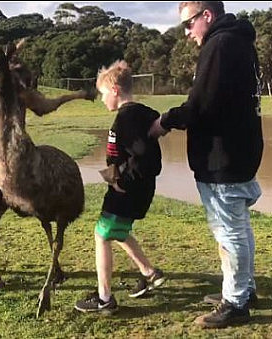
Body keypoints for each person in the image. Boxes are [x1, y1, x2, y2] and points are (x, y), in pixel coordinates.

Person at [149, 1, 264, 328]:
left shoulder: (220, 44)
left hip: (223, 156)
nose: (186, 33)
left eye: (188, 24)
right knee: (238, 226)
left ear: (207, 16)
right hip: (237, 150)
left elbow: (200, 104)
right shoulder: (238, 41)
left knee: (229, 230)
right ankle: (243, 289)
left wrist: (165, 122)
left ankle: (237, 303)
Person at [75, 60, 166, 314]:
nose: (103, 100)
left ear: (114, 90)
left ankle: (104, 298)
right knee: (118, 230)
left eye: (104, 94)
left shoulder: (125, 119)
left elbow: (144, 155)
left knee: (101, 234)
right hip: (136, 188)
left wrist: (122, 181)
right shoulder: (141, 113)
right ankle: (150, 273)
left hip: (128, 190)